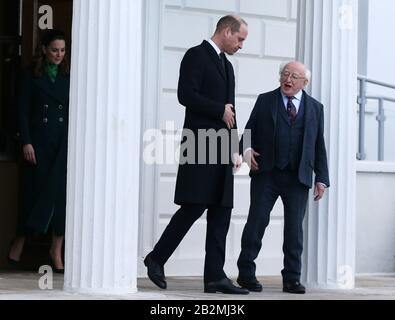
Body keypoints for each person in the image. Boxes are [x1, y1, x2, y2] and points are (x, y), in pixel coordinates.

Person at [144, 15, 249, 294]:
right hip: (199, 144)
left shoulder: (227, 66)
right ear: (226, 32)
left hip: (222, 149)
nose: (241, 45)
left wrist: (236, 149)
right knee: (193, 206)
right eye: (239, 39)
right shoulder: (195, 55)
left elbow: (232, 111)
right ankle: (156, 258)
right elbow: (185, 95)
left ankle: (215, 276)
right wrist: (218, 111)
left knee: (221, 212)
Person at [236, 61, 330, 294]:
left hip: (298, 177)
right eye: (285, 74)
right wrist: (246, 152)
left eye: (294, 76)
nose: (288, 79)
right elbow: (248, 132)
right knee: (256, 223)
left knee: (294, 231)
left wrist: (322, 178)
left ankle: (291, 278)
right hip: (266, 173)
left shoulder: (315, 108)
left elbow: (319, 145)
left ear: (304, 82)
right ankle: (246, 274)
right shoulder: (265, 100)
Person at [8, 29, 70, 273]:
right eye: (54, 49)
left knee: (61, 198)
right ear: (44, 49)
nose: (59, 54)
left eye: (63, 50)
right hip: (38, 143)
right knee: (34, 194)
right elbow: (22, 111)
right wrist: (26, 141)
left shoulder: (68, 76)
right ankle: (19, 242)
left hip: (62, 143)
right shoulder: (30, 75)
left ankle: (56, 250)